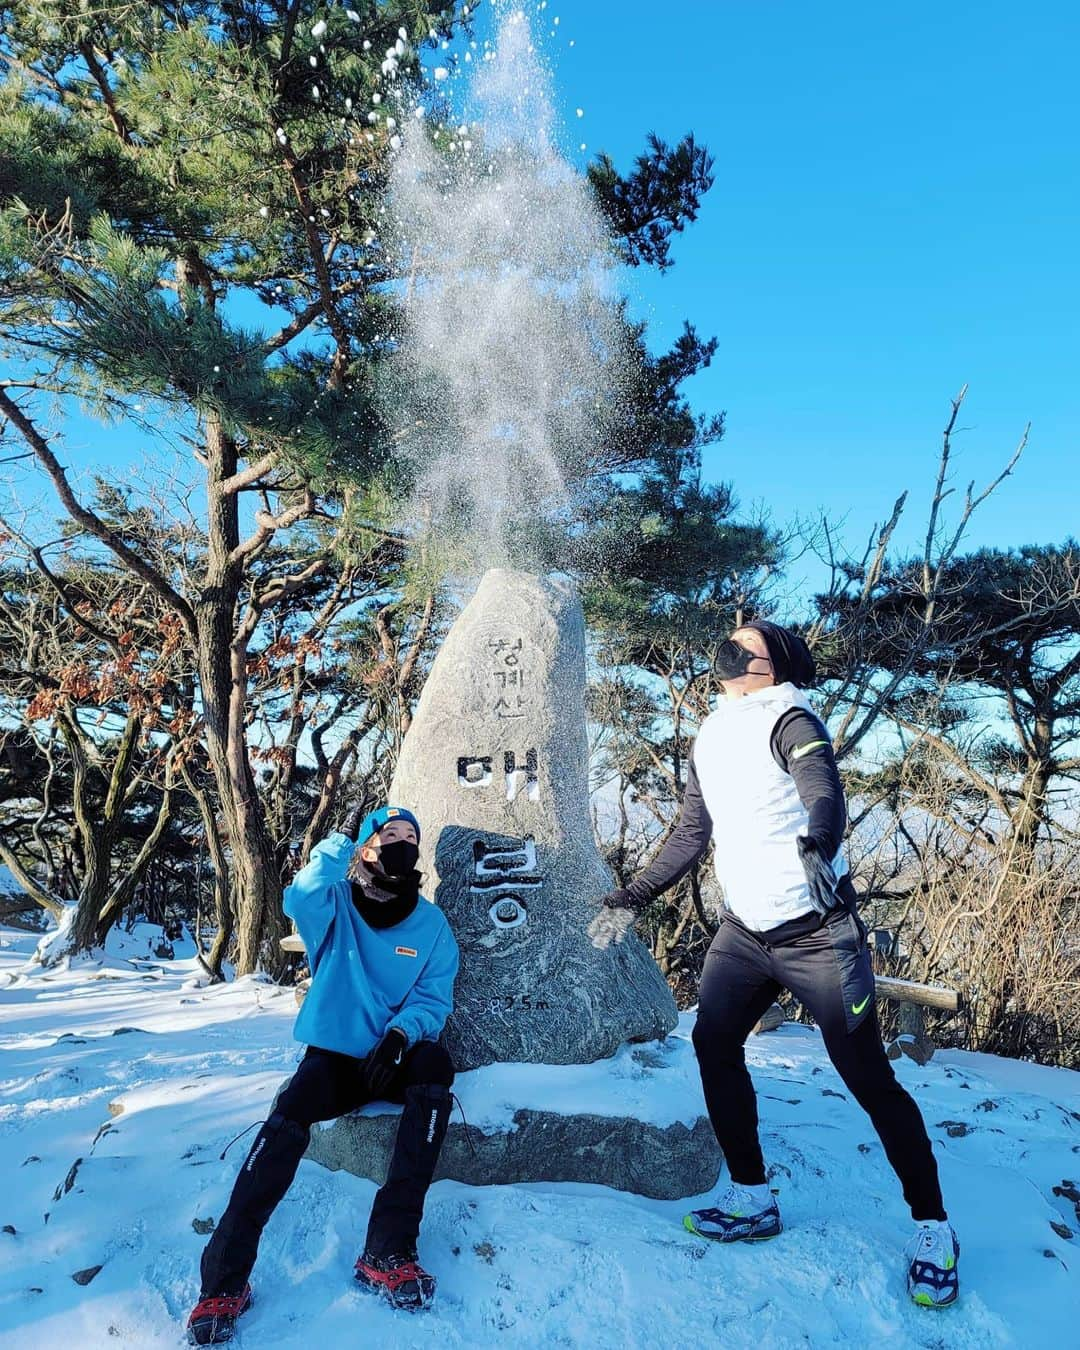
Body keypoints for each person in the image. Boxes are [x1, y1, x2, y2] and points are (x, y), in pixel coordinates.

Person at [588, 622, 959, 1310]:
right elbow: (694, 831)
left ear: (770, 665)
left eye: (740, 647)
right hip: (745, 932)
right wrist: (634, 894)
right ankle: (752, 1195)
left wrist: (820, 843)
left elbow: (823, 789)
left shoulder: (791, 719)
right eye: (724, 644)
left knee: (868, 1078)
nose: (725, 654)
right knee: (713, 1042)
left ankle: (933, 1227)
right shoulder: (712, 732)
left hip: (819, 933)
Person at [187, 805, 460, 1345]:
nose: (402, 844)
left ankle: (389, 1248)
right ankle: (224, 1281)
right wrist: (343, 843)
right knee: (291, 1110)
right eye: (389, 836)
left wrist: (403, 1034)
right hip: (334, 1057)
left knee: (436, 1067)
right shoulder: (332, 904)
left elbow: (434, 995)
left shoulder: (431, 923)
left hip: (395, 1054)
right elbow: (300, 895)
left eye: (411, 836)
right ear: (365, 847)